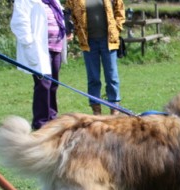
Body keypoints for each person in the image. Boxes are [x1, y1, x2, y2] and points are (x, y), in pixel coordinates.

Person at [10, 0, 68, 130]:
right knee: (43, 85)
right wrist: (29, 42)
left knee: (53, 84)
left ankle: (52, 118)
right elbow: (19, 23)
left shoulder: (53, 1)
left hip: (55, 47)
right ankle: (41, 122)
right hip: (39, 49)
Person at [65, 0, 125, 115]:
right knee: (93, 78)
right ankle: (96, 112)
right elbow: (69, 14)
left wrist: (117, 29)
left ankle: (114, 110)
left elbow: (120, 10)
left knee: (112, 76)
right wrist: (76, 30)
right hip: (88, 42)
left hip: (109, 41)